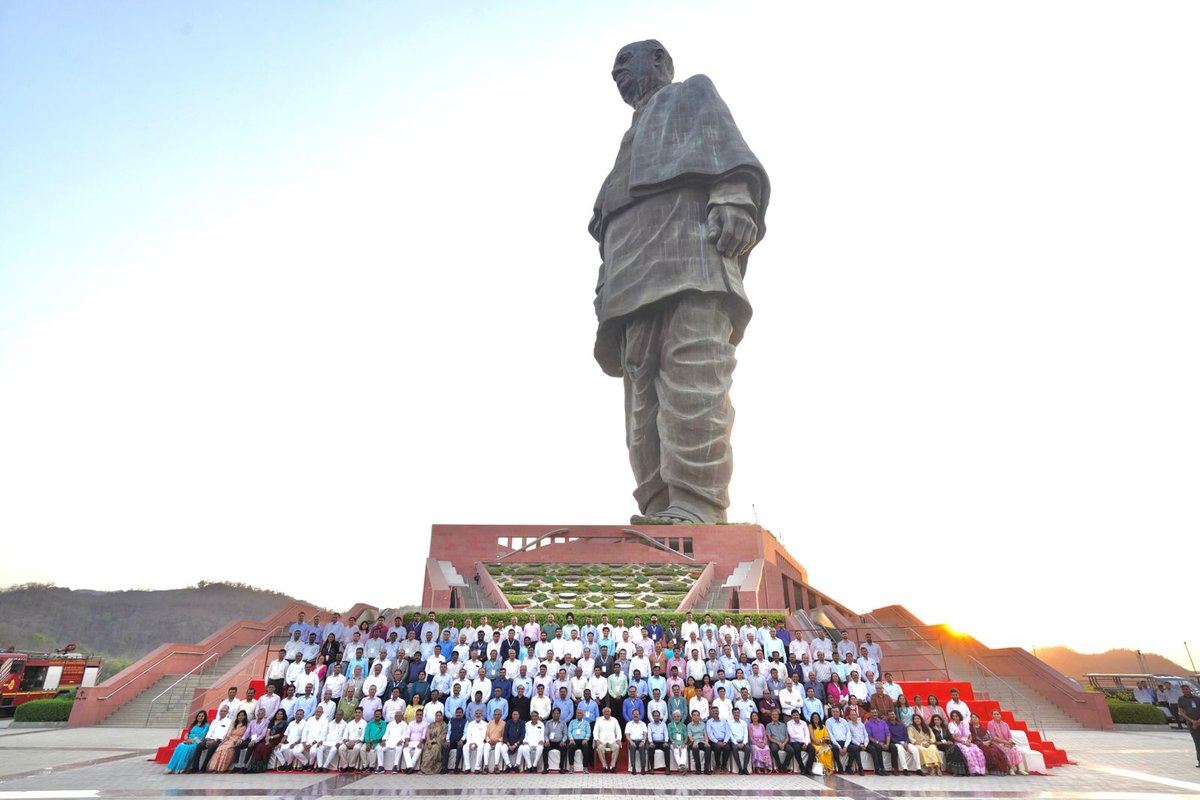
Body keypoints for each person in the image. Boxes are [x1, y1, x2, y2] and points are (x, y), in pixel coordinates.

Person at [590, 39, 770, 525]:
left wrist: (733, 196)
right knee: (640, 399)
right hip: (630, 277)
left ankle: (696, 502)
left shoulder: (690, 94)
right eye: (614, 65)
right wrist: (605, 282)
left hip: (689, 259)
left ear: (662, 63)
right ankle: (657, 505)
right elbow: (605, 221)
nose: (618, 70)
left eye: (628, 59)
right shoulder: (625, 143)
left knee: (693, 377)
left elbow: (724, 146)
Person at [986, 709, 1027, 775]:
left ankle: (1021, 769)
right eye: (994, 714)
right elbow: (994, 737)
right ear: (992, 716)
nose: (996, 715)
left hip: (1007, 743)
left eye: (998, 714)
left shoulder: (1005, 724)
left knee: (1016, 750)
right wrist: (1006, 742)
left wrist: (1010, 742)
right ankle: (1011, 768)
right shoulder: (990, 724)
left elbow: (1010, 736)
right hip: (997, 743)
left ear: (1000, 715)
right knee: (1008, 751)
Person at [948, 710, 986, 775]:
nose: (955, 717)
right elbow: (954, 737)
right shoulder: (951, 724)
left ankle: (980, 770)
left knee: (977, 750)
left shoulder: (965, 723)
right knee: (967, 751)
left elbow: (970, 735)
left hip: (967, 741)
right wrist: (962, 742)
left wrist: (969, 741)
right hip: (959, 742)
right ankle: (973, 770)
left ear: (959, 716)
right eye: (953, 716)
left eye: (956, 716)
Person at [593, 706, 622, 772]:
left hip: (612, 740)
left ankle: (612, 766)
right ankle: (604, 766)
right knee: (600, 748)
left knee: (617, 747)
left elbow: (618, 731)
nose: (606, 713)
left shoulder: (614, 720)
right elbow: (595, 731)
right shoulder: (599, 720)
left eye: (608, 711)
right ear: (603, 713)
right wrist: (596, 739)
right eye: (605, 712)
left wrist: (618, 739)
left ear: (610, 712)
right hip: (602, 740)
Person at [1178, 684, 1200, 768]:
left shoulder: (1197, 698)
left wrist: (1198, 721)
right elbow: (1181, 712)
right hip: (1191, 724)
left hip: (1198, 722)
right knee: (1197, 742)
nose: (1185, 691)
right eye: (1183, 690)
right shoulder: (1181, 699)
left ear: (1189, 689)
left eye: (1186, 689)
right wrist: (1193, 721)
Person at [419, 710, 446, 774]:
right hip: (429, 742)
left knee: (434, 749)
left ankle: (428, 769)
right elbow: (427, 733)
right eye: (437, 716)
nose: (438, 717)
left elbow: (442, 736)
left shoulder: (444, 725)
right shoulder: (431, 724)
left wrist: (432, 741)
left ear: (442, 717)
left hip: (438, 743)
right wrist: (428, 741)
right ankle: (424, 768)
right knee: (426, 752)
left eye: (439, 716)